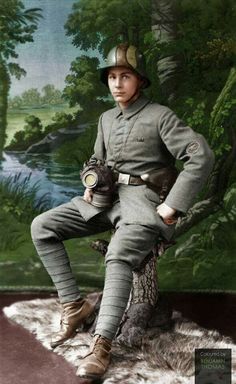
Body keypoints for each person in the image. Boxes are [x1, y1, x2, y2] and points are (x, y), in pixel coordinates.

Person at [31, 43, 214, 380]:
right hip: (105, 198)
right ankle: (74, 306)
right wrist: (90, 180)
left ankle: (101, 345)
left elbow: (200, 156)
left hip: (142, 201)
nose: (117, 84)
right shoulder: (105, 118)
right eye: (112, 77)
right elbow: (98, 161)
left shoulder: (160, 116)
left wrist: (173, 204)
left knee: (117, 255)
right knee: (42, 226)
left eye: (125, 76)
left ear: (139, 81)